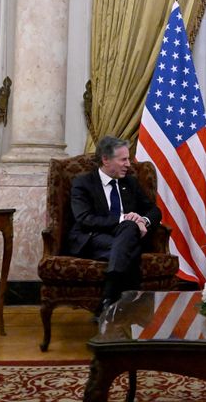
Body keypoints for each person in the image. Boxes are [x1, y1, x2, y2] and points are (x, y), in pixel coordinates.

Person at [66, 135, 161, 316]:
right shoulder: (83, 183)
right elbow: (84, 218)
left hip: (122, 238)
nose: (128, 164)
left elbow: (154, 211)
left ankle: (108, 298)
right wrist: (125, 219)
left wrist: (142, 221)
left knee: (130, 228)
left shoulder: (130, 183)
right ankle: (134, 311)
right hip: (92, 238)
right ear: (105, 159)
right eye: (123, 159)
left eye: (128, 159)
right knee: (129, 239)